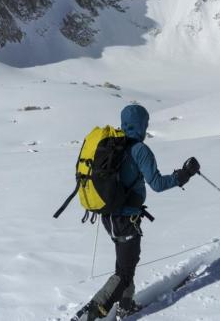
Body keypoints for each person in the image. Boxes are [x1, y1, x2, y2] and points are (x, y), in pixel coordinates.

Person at [75, 104, 200, 321]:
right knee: (124, 272)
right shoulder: (140, 150)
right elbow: (157, 184)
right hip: (126, 219)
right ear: (142, 124)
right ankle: (91, 313)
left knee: (125, 265)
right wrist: (184, 175)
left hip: (109, 216)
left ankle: (125, 306)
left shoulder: (114, 145)